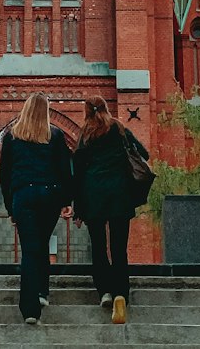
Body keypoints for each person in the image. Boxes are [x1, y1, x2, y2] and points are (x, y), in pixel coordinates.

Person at [72, 95, 149, 325]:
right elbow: (143, 154)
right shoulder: (119, 128)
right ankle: (121, 294)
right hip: (119, 195)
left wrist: (77, 207)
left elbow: (78, 172)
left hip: (93, 196)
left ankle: (104, 291)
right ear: (105, 108)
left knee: (98, 246)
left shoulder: (85, 135)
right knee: (119, 248)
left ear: (87, 112)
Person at [0, 92, 73, 325]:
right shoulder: (56, 135)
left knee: (31, 250)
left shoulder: (12, 137)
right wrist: (66, 201)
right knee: (41, 244)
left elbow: (5, 174)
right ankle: (41, 292)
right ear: (46, 111)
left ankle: (30, 309)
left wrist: (11, 207)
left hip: (24, 196)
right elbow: (64, 171)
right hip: (49, 196)